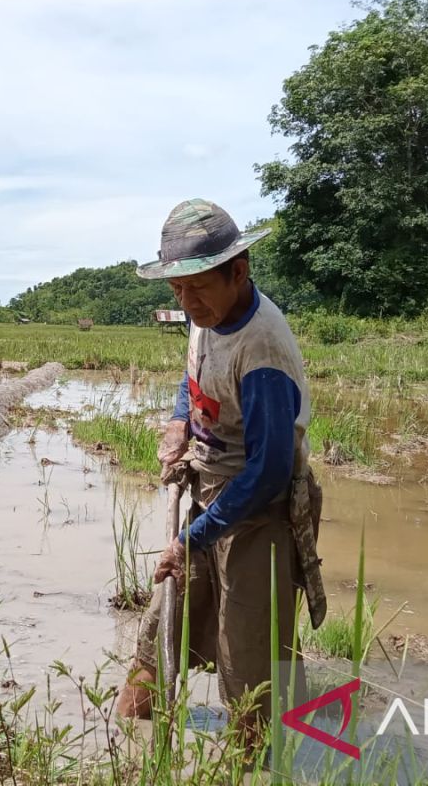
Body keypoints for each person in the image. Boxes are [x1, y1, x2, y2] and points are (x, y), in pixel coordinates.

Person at [118, 198, 322, 749]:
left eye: (197, 288)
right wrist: (180, 422)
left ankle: (255, 758)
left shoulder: (263, 351)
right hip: (207, 492)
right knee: (160, 630)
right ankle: (127, 748)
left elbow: (269, 471)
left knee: (248, 661)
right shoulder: (203, 312)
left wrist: (191, 538)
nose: (186, 302)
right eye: (176, 290)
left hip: (259, 513)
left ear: (239, 272)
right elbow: (194, 375)